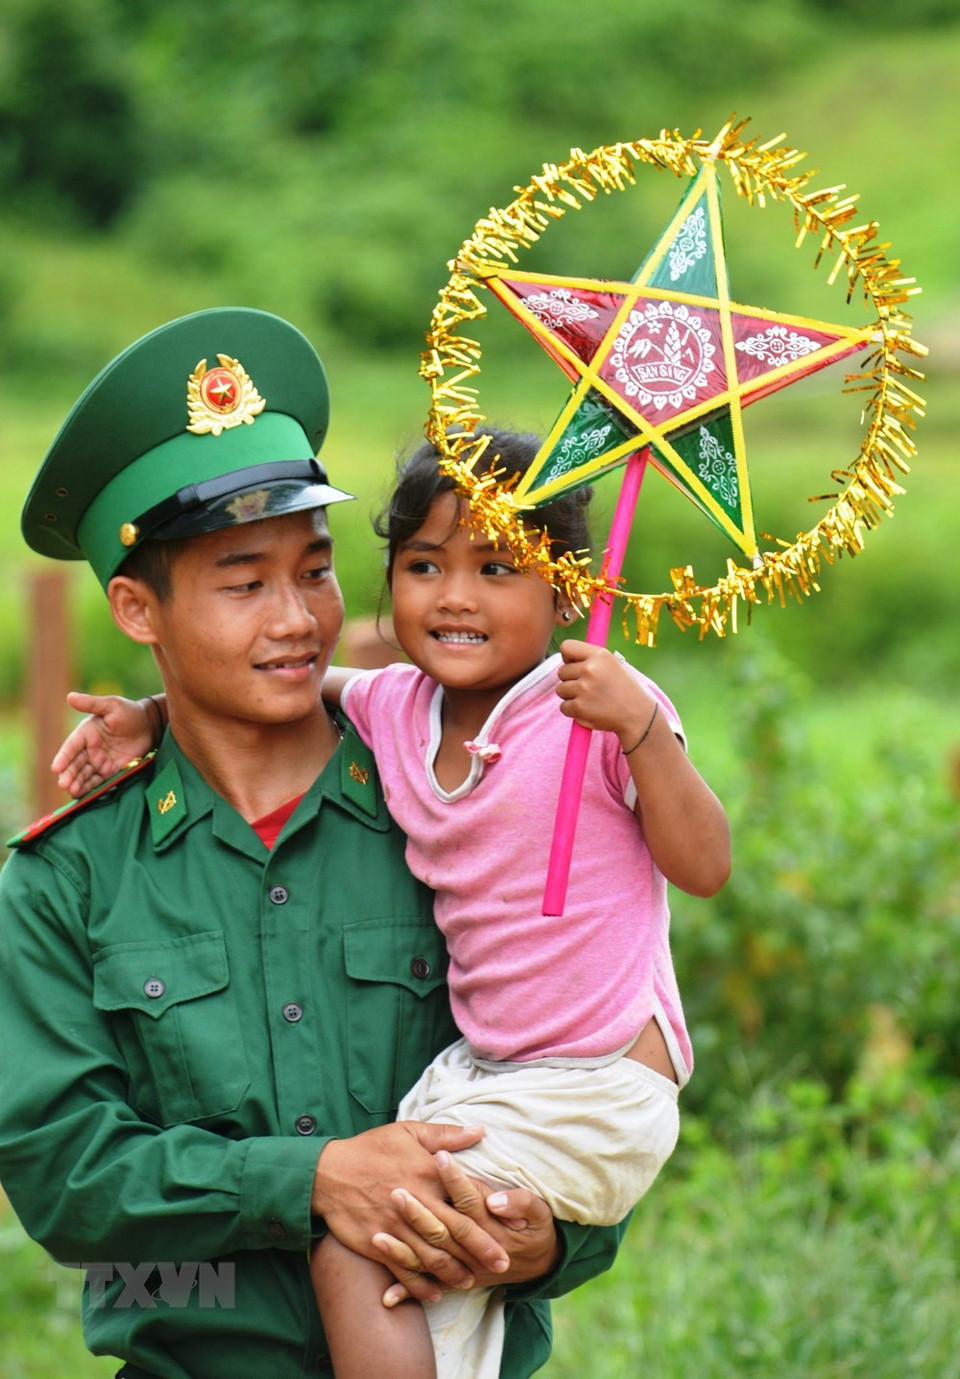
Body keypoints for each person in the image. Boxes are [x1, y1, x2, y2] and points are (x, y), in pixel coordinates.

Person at [0, 311, 628, 1379]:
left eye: (318, 569)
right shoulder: (66, 875)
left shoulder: (451, 808)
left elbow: (571, 1057)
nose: (298, 617)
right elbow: (67, 1180)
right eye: (244, 583)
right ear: (136, 607)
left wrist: (553, 1240)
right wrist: (311, 1178)